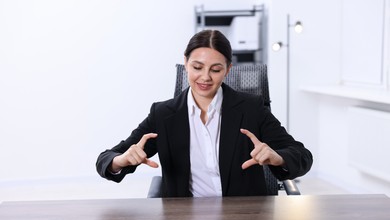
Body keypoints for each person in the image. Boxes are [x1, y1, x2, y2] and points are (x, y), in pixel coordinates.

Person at [96, 30, 313, 197]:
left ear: (228, 69)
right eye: (197, 67)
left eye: (216, 70)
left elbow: (303, 156)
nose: (205, 77)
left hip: (244, 219)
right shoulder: (163, 115)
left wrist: (278, 158)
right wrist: (121, 161)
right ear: (186, 64)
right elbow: (105, 160)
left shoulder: (251, 109)